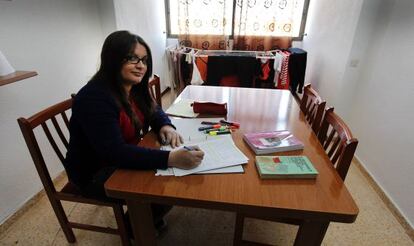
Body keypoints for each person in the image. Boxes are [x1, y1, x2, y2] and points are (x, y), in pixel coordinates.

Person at [64, 30, 204, 232]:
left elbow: (154, 110)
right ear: (112, 59)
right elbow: (114, 153)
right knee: (165, 185)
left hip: (122, 155)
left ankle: (146, 217)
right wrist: (170, 159)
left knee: (167, 181)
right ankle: (135, 227)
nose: (141, 66)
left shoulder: (133, 86)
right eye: (132, 58)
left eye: (144, 60)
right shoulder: (94, 98)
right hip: (94, 173)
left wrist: (165, 125)